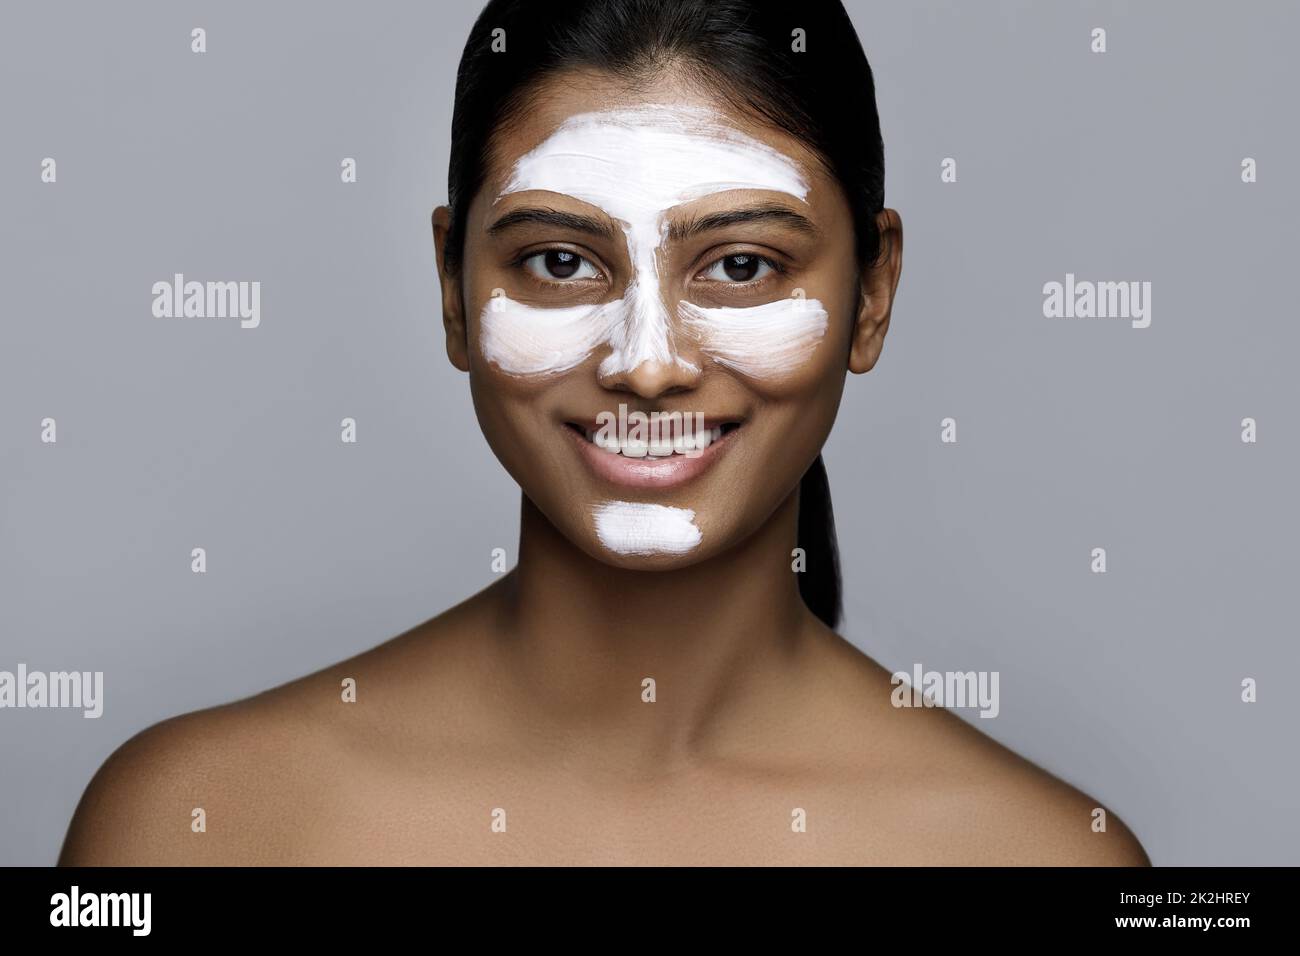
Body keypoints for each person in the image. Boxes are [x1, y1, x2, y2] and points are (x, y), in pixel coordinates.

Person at [59, 0, 1149, 866]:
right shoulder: (193, 824)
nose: (647, 357)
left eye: (739, 264)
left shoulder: (1039, 857)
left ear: (872, 293)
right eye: (560, 260)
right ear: (454, 287)